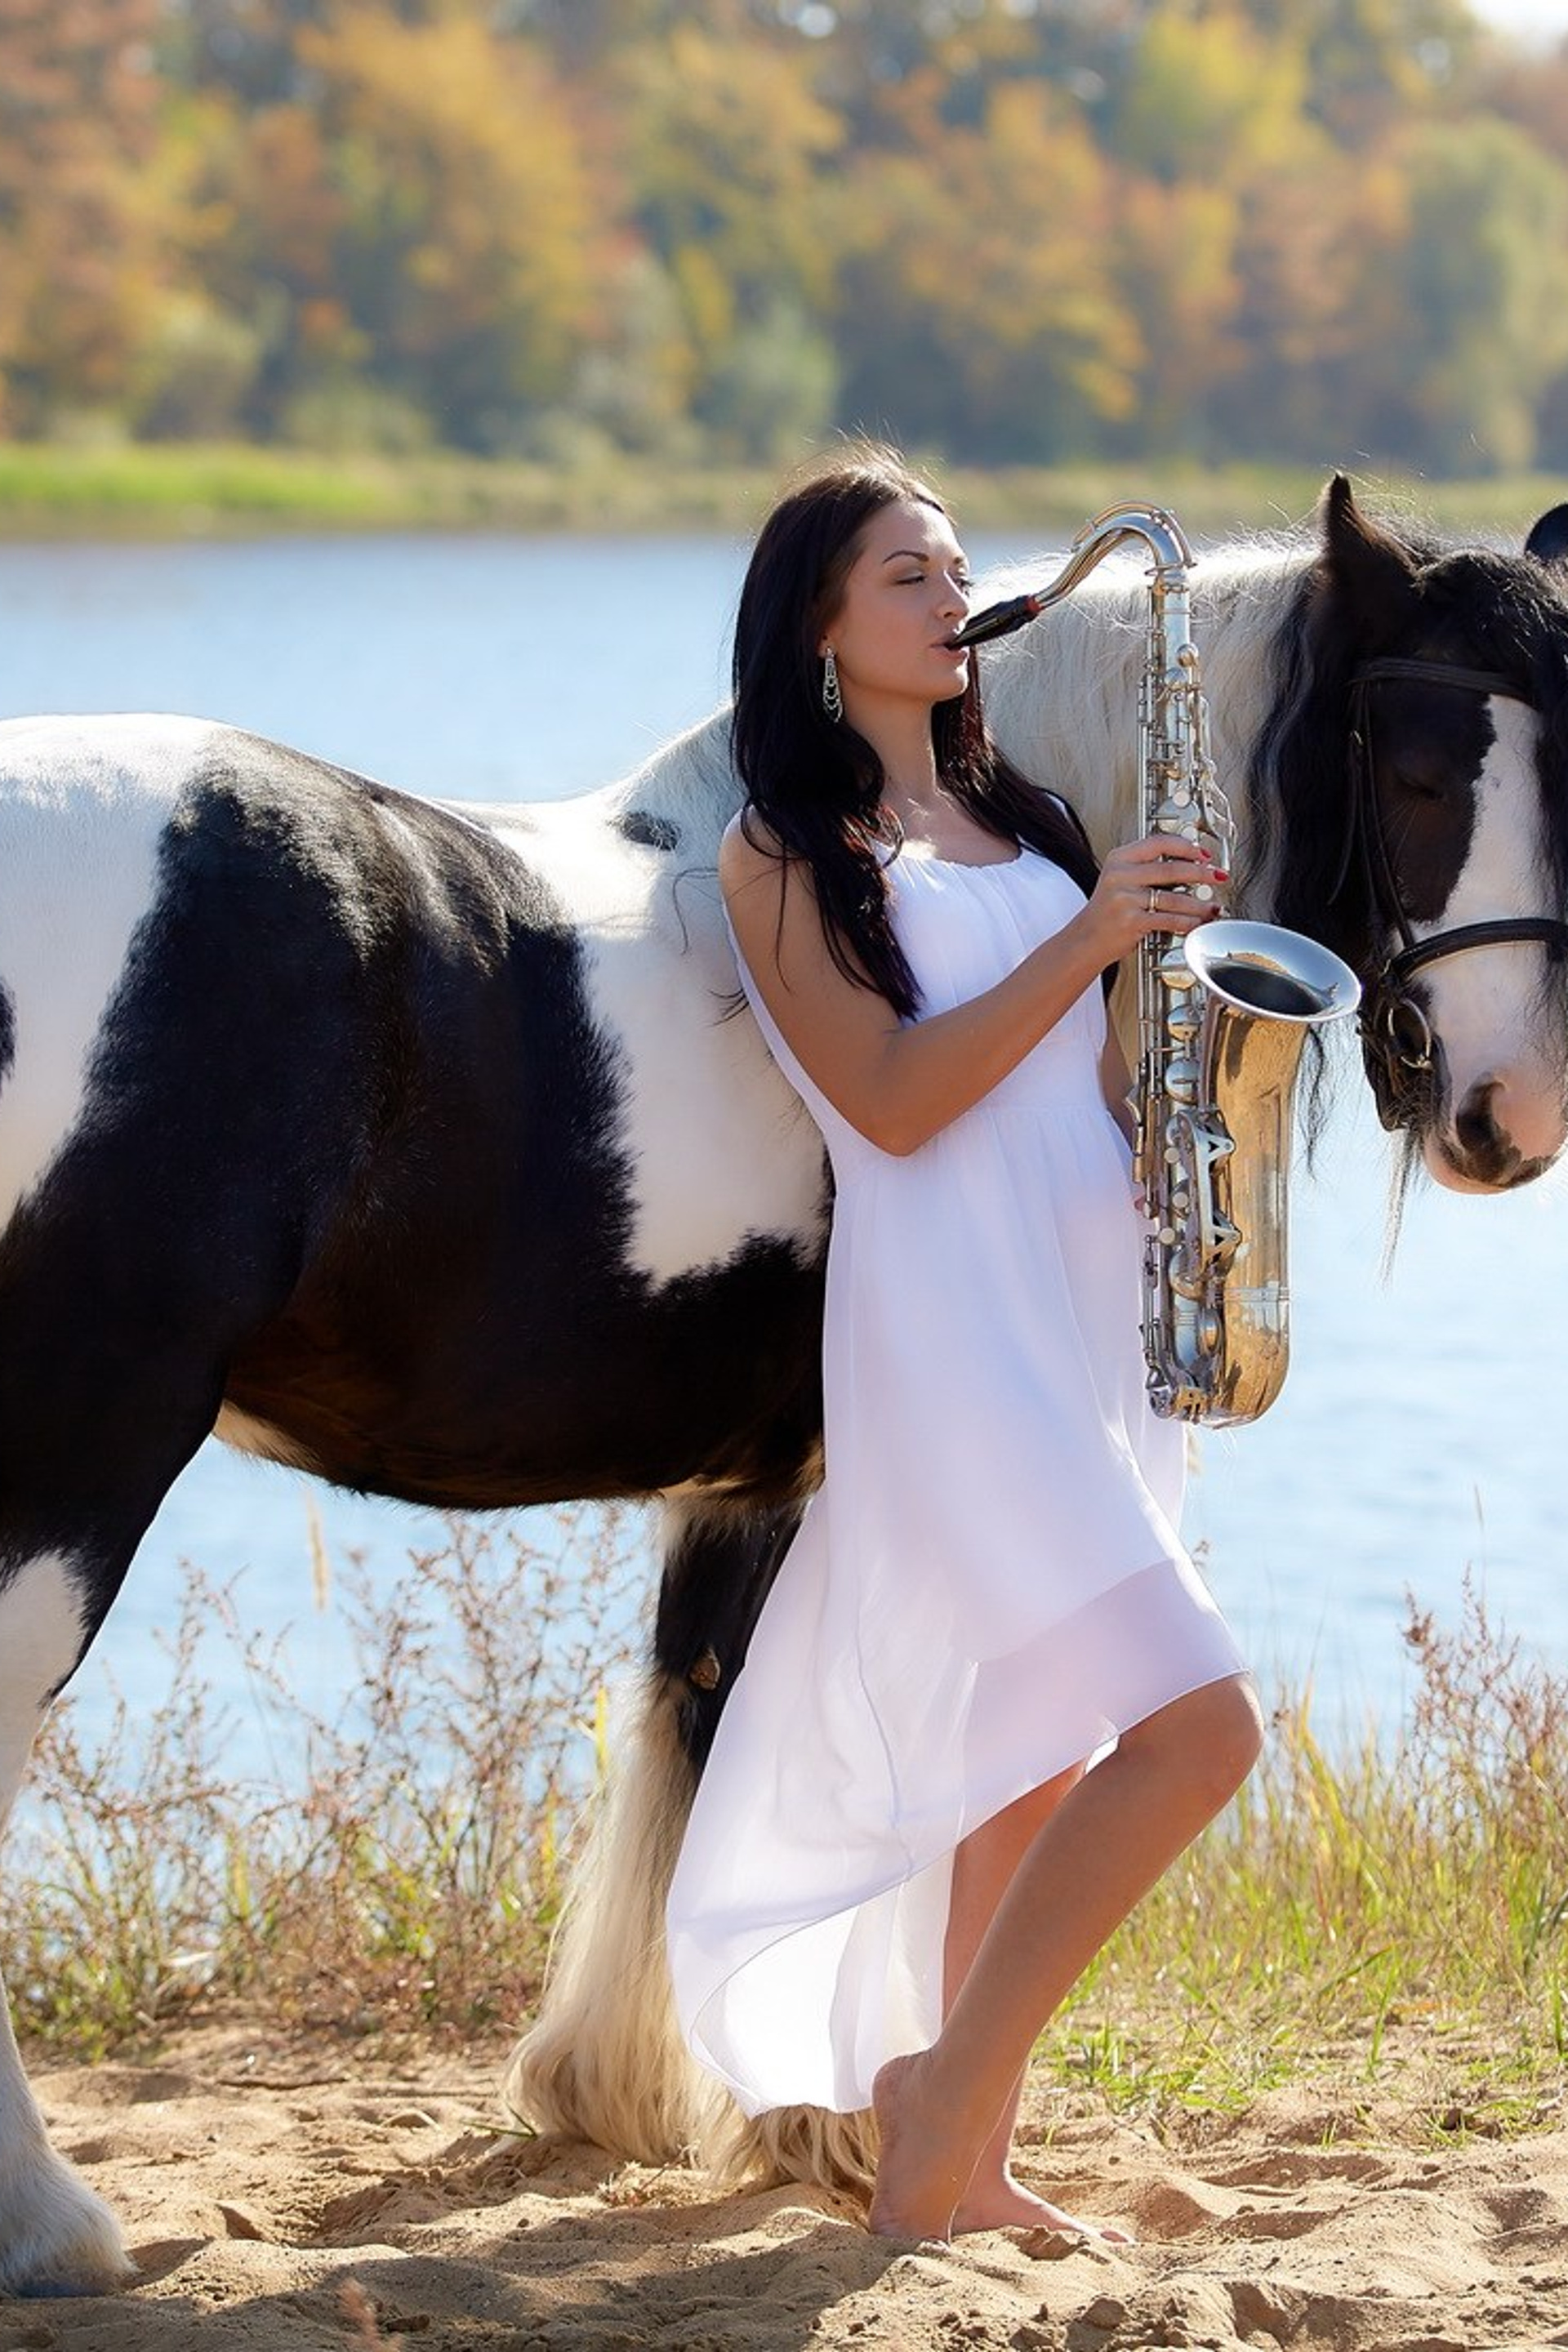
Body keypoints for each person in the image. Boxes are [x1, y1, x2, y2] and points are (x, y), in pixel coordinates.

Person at [664, 448, 1263, 2243]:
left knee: (1046, 1749)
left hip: (1077, 1319)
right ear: (821, 629)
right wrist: (1093, 932)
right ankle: (931, 2100)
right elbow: (898, 1103)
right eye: (905, 575)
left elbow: (1062, 1091)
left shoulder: (1031, 825)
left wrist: (1170, 1128)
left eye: (950, 567)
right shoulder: (783, 851)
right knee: (1200, 1731)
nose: (951, 595)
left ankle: (955, 2154)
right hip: (955, 1344)